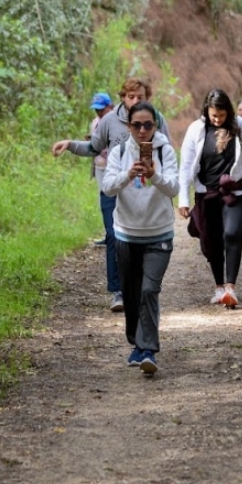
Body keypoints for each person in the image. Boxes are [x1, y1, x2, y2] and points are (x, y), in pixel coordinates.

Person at [52, 78, 169, 313]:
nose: (136, 101)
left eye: (141, 97)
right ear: (123, 97)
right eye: (131, 97)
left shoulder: (156, 119)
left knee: (136, 240)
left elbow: (165, 152)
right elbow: (93, 147)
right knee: (112, 237)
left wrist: (162, 181)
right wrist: (70, 144)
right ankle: (118, 291)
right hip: (113, 185)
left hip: (142, 190)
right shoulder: (109, 121)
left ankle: (141, 286)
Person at [99, 100, 178, 375]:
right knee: (131, 295)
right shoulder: (120, 151)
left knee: (149, 290)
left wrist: (154, 175)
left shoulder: (165, 150)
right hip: (126, 233)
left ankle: (149, 350)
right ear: (129, 126)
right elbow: (107, 188)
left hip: (159, 233)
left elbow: (174, 187)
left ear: (155, 125)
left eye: (148, 125)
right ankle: (136, 342)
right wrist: (127, 174)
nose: (142, 130)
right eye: (137, 125)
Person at [178, 89, 242, 309]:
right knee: (212, 242)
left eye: (221, 115)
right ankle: (219, 286)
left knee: (232, 233)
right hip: (207, 194)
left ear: (228, 111)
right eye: (214, 115)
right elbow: (185, 167)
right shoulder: (196, 129)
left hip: (235, 192)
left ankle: (230, 287)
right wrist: (183, 199)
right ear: (206, 111)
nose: (217, 119)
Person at [89, 92, 114, 246]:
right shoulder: (95, 123)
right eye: (97, 110)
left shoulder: (115, 122)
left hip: (112, 166)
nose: (99, 112)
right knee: (104, 200)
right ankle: (108, 234)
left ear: (109, 106)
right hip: (100, 166)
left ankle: (115, 234)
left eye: (101, 109)